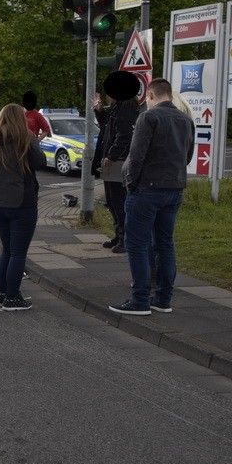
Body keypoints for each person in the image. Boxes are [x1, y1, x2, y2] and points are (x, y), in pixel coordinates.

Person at [109, 77, 195, 316]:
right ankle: (163, 299)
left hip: (147, 189)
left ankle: (139, 300)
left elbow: (135, 157)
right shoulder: (186, 120)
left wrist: (130, 184)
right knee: (165, 244)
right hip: (174, 189)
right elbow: (187, 156)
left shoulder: (148, 117)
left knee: (135, 244)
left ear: (151, 95)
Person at [0, 104, 47, 311]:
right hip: (21, 202)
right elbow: (39, 162)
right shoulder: (26, 138)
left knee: (7, 250)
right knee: (18, 253)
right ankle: (12, 297)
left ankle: (0, 293)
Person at [91, 71, 140, 254]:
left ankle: (125, 237)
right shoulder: (119, 105)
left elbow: (124, 135)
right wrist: (99, 111)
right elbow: (107, 126)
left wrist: (111, 156)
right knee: (112, 200)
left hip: (118, 161)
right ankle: (119, 234)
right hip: (112, 160)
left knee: (118, 200)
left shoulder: (126, 105)